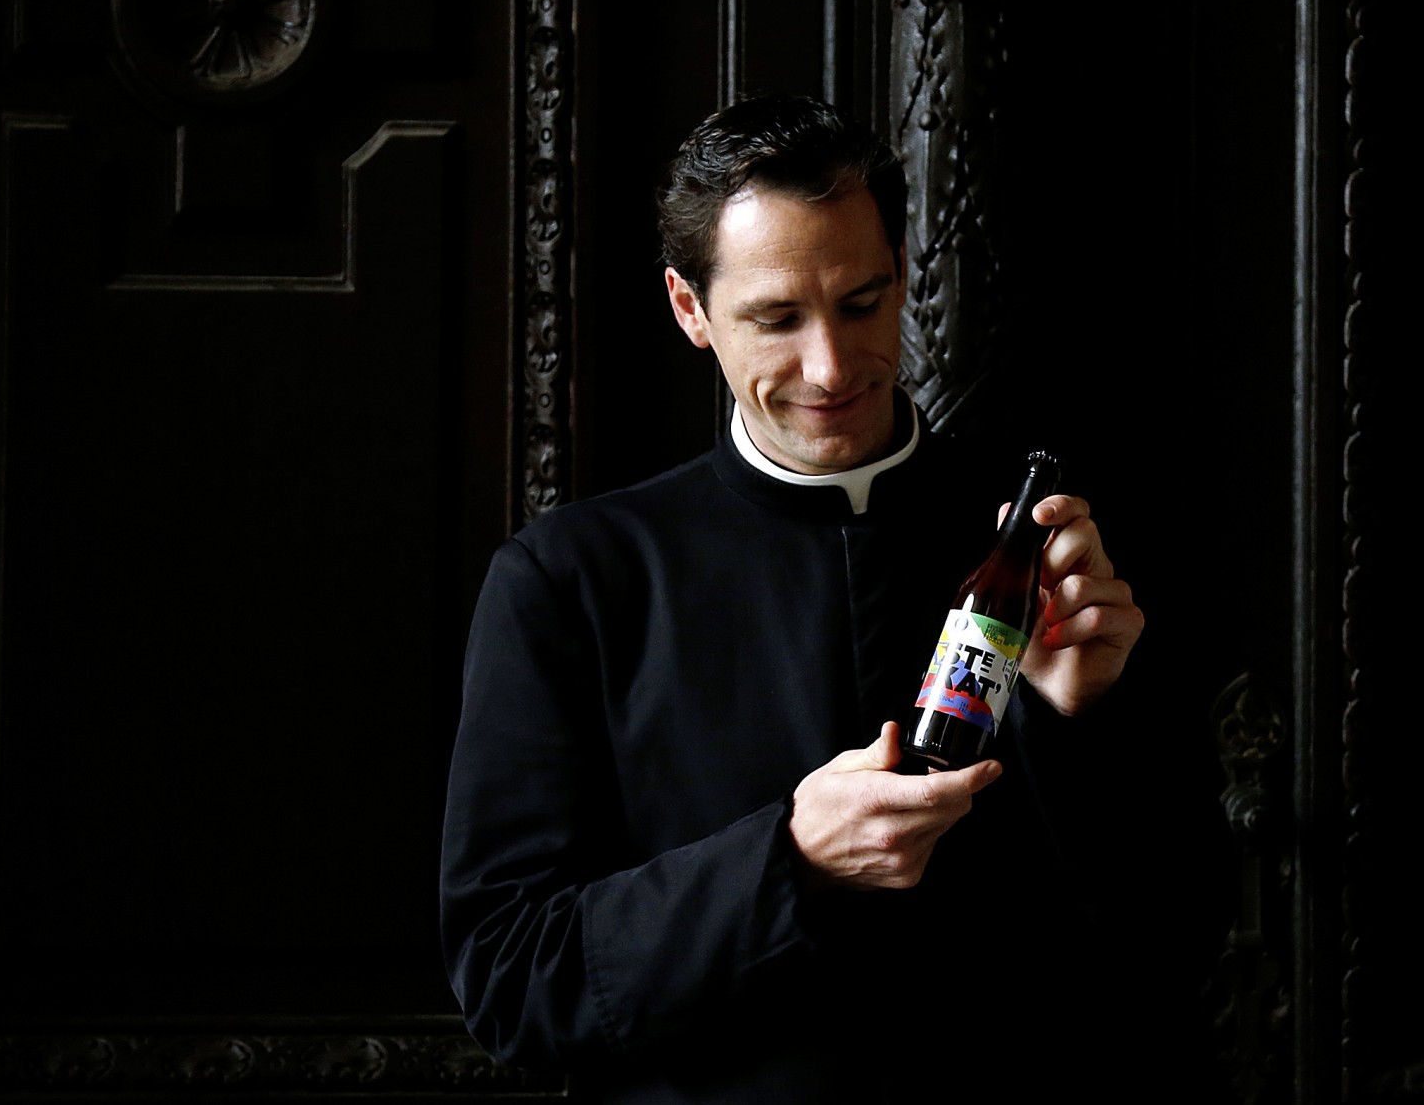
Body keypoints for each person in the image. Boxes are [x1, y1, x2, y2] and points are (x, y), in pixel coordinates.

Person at [441, 95, 1205, 1102]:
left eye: (861, 301)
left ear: (902, 272)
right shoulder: (570, 577)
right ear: (689, 308)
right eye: (776, 318)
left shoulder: (1061, 548)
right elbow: (510, 979)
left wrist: (1078, 721)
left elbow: (1178, 935)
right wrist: (788, 858)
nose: (832, 367)